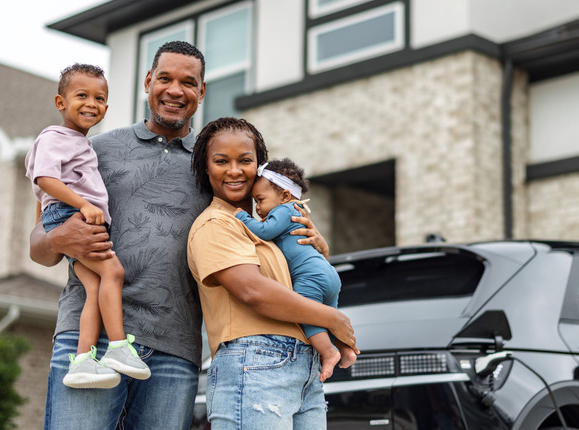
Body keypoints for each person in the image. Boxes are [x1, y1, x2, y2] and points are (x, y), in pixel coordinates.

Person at [30, 42, 355, 430]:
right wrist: (58, 240)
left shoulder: (212, 164)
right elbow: (40, 242)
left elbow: (264, 231)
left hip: (175, 348)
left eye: (188, 82)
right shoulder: (94, 148)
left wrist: (312, 239)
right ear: (148, 82)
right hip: (91, 338)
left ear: (201, 92)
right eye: (164, 78)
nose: (174, 90)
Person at [188, 117, 359, 428]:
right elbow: (254, 291)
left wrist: (320, 247)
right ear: (206, 168)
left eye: (245, 160)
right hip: (254, 361)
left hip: (303, 366)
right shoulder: (217, 223)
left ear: (261, 168)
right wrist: (331, 318)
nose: (235, 170)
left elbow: (300, 275)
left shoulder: (275, 228)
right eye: (221, 161)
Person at [25, 63, 150, 390]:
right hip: (72, 215)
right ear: (60, 102)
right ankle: (119, 348)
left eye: (99, 98)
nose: (91, 103)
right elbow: (45, 179)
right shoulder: (56, 137)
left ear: (106, 108)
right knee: (114, 273)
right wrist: (82, 205)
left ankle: (82, 361)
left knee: (94, 288)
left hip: (71, 213)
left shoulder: (79, 142)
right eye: (82, 95)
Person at [233, 158, 357, 382]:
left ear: (285, 196)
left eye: (260, 200)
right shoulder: (296, 210)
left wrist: (242, 216)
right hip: (327, 273)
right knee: (327, 316)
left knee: (307, 315)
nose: (258, 207)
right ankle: (346, 348)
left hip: (309, 275)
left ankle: (329, 353)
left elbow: (265, 231)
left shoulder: (283, 211)